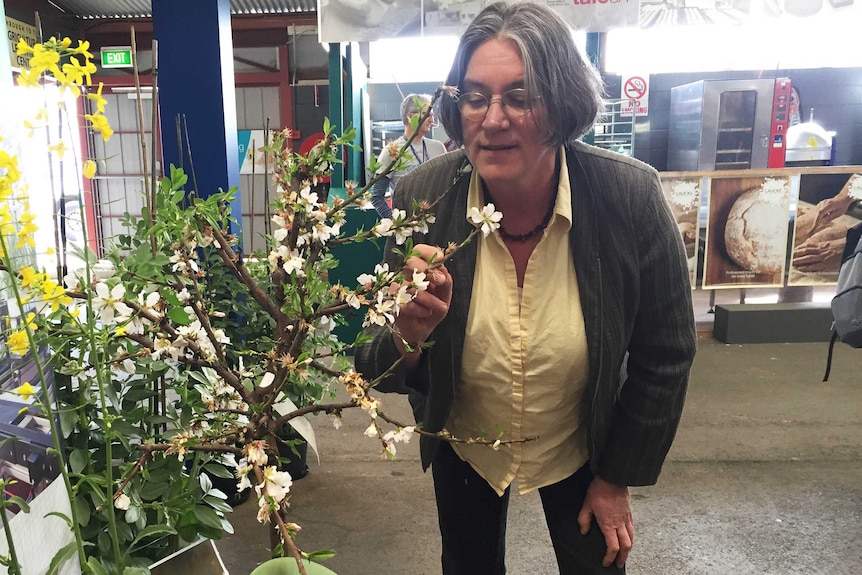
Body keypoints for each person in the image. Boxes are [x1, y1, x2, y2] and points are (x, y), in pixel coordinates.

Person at [356, 3, 697, 574]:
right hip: (467, 444)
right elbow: (368, 361)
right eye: (475, 96)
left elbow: (666, 353)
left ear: (562, 104)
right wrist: (406, 333)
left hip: (581, 441)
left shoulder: (629, 197)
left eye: (520, 96)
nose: (493, 119)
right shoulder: (424, 200)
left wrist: (616, 478)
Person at [369, 94, 447, 219]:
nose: (431, 120)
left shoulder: (438, 148)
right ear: (411, 116)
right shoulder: (392, 151)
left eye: (431, 115)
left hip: (436, 228)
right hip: (408, 229)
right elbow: (376, 196)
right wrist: (398, 225)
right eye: (427, 114)